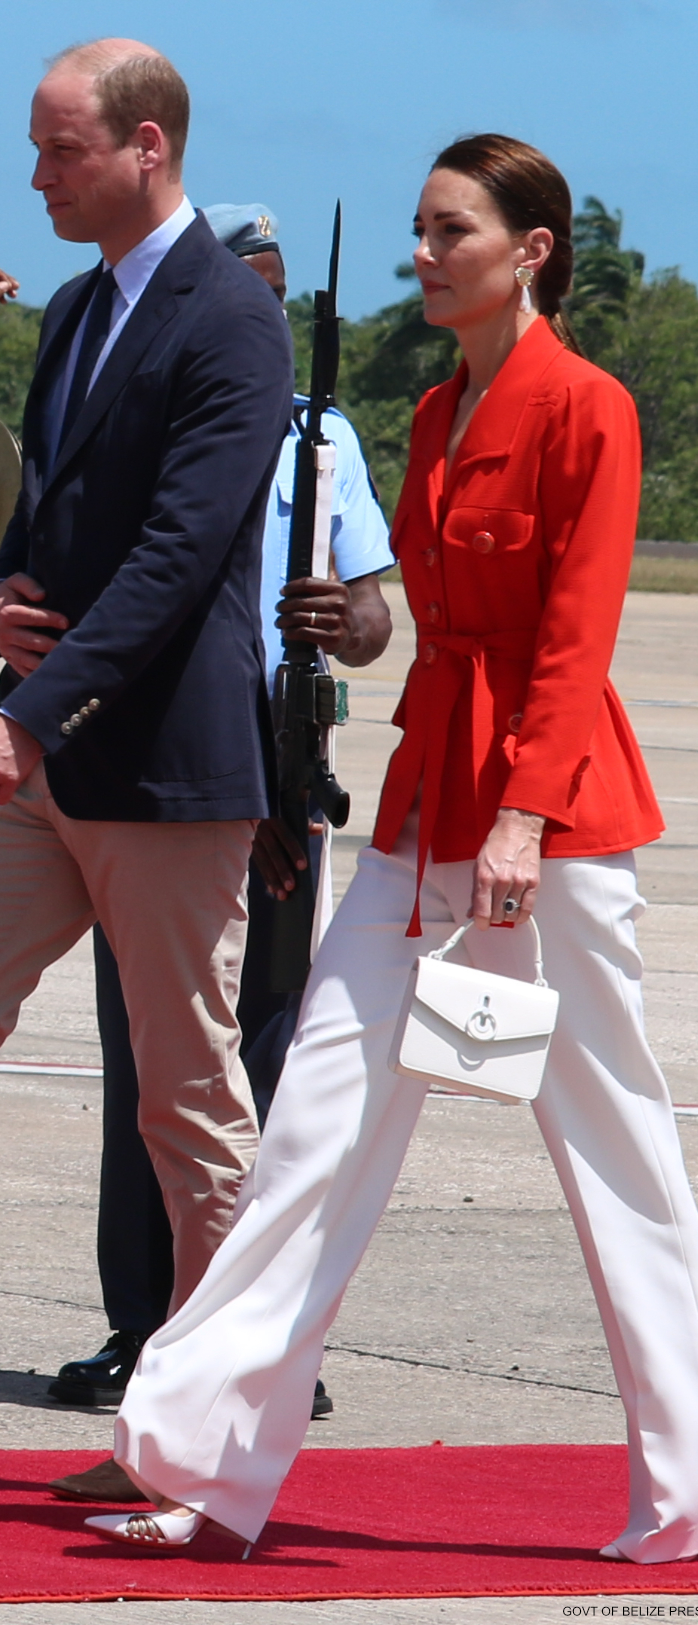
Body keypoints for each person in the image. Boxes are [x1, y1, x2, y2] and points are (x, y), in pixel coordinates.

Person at [87, 134, 698, 1566]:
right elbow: (423, 634)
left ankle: (688, 1494)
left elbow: (574, 641)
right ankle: (206, 1461)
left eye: (452, 231)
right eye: (422, 231)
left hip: (548, 833)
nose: (425, 253)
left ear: (532, 250)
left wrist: (521, 815)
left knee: (615, 1152)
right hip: (416, 819)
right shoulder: (433, 417)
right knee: (315, 1131)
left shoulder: (591, 409)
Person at [47, 204, 392, 1484]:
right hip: (151, 771)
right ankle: (146, 1328)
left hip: (271, 764)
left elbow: (369, 613)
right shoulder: (136, 407)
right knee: (150, 1055)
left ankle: (259, 1346)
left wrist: (339, 616)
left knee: (254, 1059)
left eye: (270, 298)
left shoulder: (323, 440)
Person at [0, 42, 292, 1349]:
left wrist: (23, 712)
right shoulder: (71, 310)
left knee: (184, 1096)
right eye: (36, 145)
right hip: (49, 765)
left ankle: (221, 1401)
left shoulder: (233, 317)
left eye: (61, 148)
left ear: (146, 148)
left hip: (164, 775)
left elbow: (180, 555)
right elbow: (47, 523)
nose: (38, 174)